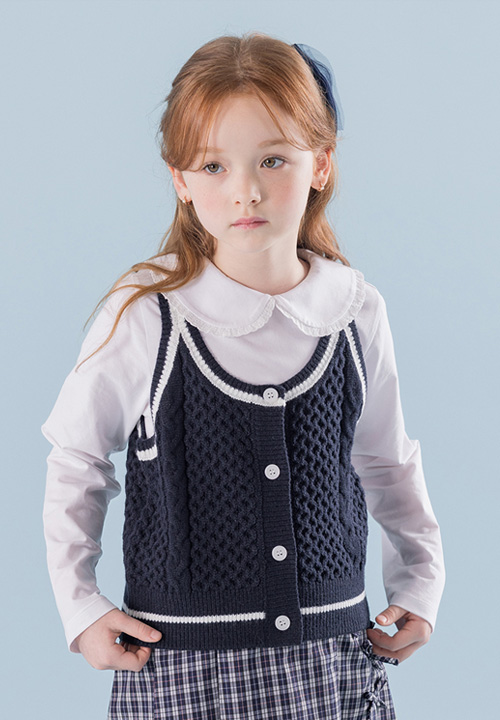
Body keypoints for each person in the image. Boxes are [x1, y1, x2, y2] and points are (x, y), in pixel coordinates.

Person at [42, 31, 445, 720]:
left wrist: (420, 582)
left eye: (273, 159)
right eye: (213, 166)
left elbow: (387, 460)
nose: (246, 190)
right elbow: (75, 460)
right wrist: (80, 606)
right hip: (181, 670)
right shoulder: (147, 316)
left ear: (321, 163)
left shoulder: (354, 311)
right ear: (180, 179)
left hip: (334, 665)